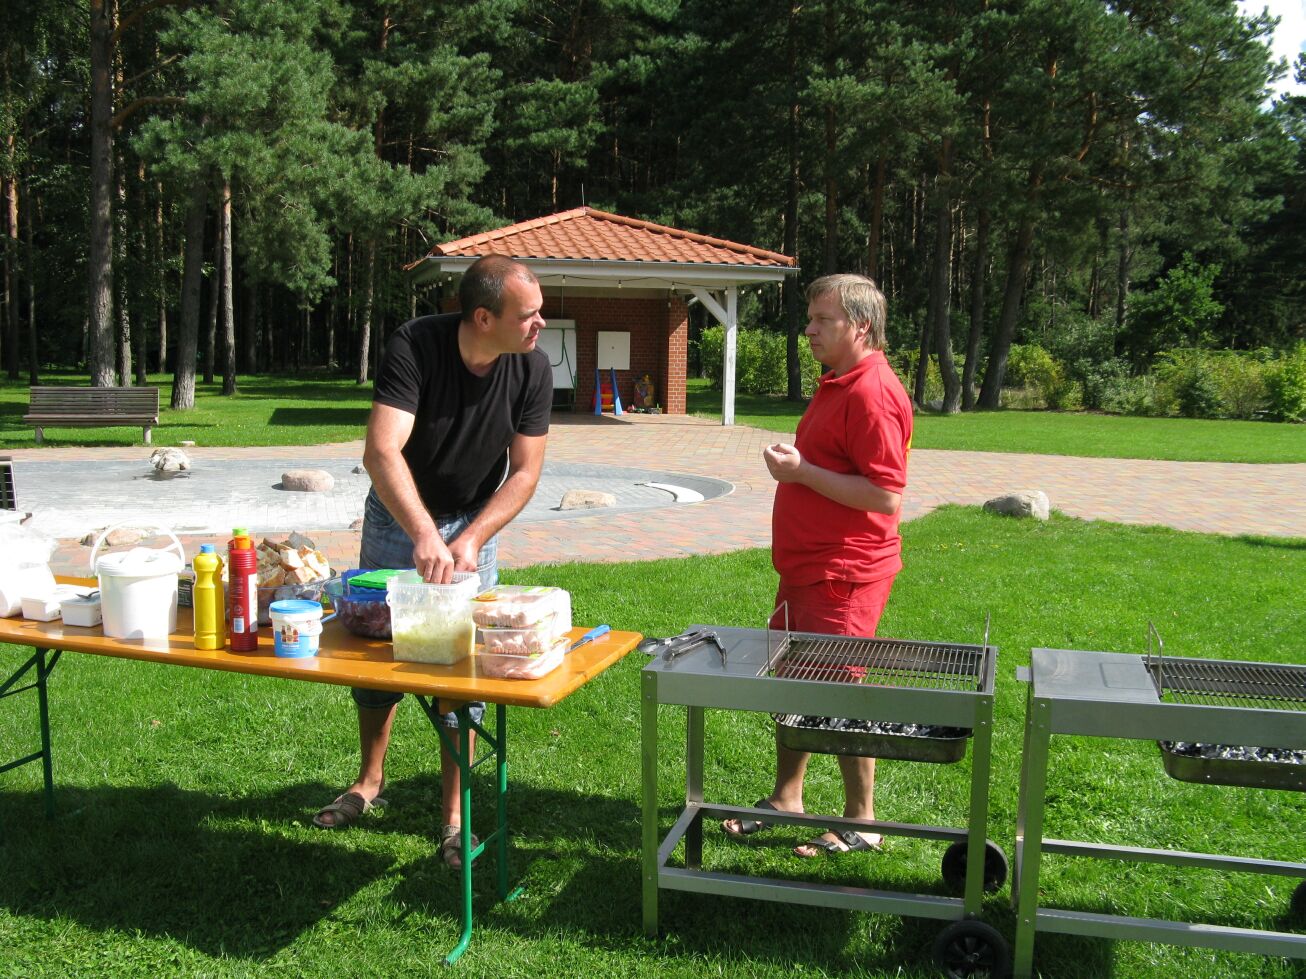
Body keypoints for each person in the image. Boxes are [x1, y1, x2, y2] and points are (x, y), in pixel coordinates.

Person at [314, 255, 552, 871]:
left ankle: (454, 814)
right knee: (377, 657)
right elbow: (381, 450)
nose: (540, 324)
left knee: (463, 670)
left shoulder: (532, 367)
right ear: (483, 318)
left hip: (474, 521)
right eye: (528, 315)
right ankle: (370, 781)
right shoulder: (415, 346)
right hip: (399, 518)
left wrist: (471, 538)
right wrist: (422, 530)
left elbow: (525, 473)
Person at [721, 273, 912, 857]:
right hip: (808, 568)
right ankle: (787, 798)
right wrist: (801, 465)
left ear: (861, 325)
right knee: (795, 678)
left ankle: (863, 820)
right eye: (810, 319)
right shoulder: (838, 381)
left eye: (822, 320)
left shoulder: (873, 392)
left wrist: (801, 472)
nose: (809, 330)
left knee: (838, 690)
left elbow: (885, 495)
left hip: (843, 573)